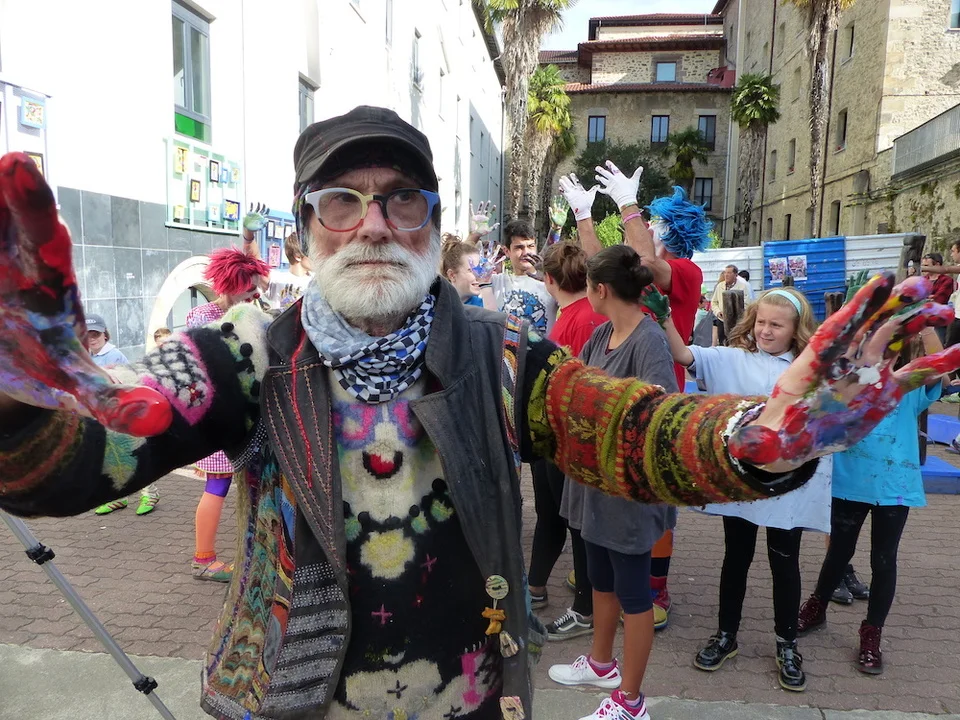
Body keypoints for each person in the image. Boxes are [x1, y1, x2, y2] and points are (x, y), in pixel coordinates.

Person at [0, 108, 948, 720]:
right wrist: (23, 401)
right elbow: (84, 455)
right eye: (342, 202)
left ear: (435, 223)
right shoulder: (246, 352)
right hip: (290, 700)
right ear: (304, 228)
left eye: (401, 200)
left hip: (468, 702)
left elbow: (632, 429)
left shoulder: (495, 355)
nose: (374, 224)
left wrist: (753, 438)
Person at [559, 172, 710, 630]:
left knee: (651, 496)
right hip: (617, 385)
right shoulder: (625, 283)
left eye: (652, 223)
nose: (644, 229)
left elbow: (642, 259)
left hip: (654, 389)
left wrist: (628, 203)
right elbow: (600, 270)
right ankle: (613, 572)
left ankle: (654, 587)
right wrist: (584, 216)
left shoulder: (685, 271)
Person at [661, 287, 829, 692]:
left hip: (788, 485)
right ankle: (726, 635)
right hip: (741, 482)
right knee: (735, 558)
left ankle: (787, 644)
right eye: (761, 322)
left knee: (784, 563)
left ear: (797, 329)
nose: (766, 331)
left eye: (777, 325)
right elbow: (683, 354)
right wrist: (663, 315)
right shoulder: (732, 358)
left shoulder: (812, 370)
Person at [549, 245, 678, 720]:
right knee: (599, 579)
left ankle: (632, 701)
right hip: (595, 488)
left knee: (634, 594)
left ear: (600, 290)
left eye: (588, 286)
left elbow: (660, 413)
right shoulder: (601, 335)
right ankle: (601, 664)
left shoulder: (649, 341)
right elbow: (576, 389)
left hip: (629, 495)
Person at [797, 329, 945, 675]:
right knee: (838, 552)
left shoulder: (908, 385)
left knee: (884, 559)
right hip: (848, 482)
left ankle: (872, 631)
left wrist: (925, 325)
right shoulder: (849, 384)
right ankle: (817, 607)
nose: (881, 355)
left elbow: (940, 366)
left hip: (895, 487)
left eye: (890, 348)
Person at [530, 241, 607, 641]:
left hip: (568, 439)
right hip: (557, 437)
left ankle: (584, 608)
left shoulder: (577, 320)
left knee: (574, 523)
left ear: (548, 279)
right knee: (552, 514)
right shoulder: (582, 315)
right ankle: (534, 587)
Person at [188, 247, 270, 582]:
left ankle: (251, 554)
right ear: (230, 284)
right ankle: (203, 559)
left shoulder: (245, 312)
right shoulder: (206, 318)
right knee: (218, 484)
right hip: (221, 418)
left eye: (256, 287)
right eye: (249, 287)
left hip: (241, 418)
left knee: (244, 485)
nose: (255, 293)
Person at [87, 314, 161, 516]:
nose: (92, 339)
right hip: (103, 415)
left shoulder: (114, 355)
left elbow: (130, 382)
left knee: (136, 455)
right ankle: (118, 498)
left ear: (105, 335)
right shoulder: (88, 357)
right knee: (113, 457)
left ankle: (150, 494)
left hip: (122, 415)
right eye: (88, 335)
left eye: (96, 334)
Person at [490, 218, 558, 335]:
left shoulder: (549, 281)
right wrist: (474, 236)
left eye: (531, 246)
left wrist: (556, 230)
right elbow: (461, 269)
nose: (526, 252)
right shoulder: (497, 282)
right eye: (519, 247)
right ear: (506, 251)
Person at [263, 232, 314, 313]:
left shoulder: (317, 281)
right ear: (298, 256)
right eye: (312, 253)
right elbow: (254, 258)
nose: (317, 256)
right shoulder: (278, 279)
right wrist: (249, 236)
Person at [711, 265, 752, 346]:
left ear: (736, 275)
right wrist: (718, 312)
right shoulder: (720, 286)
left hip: (737, 322)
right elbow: (714, 302)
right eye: (725, 272)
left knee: (736, 343)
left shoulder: (743, 286)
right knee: (723, 343)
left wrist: (737, 314)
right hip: (722, 321)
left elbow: (747, 304)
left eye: (729, 273)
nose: (726, 275)